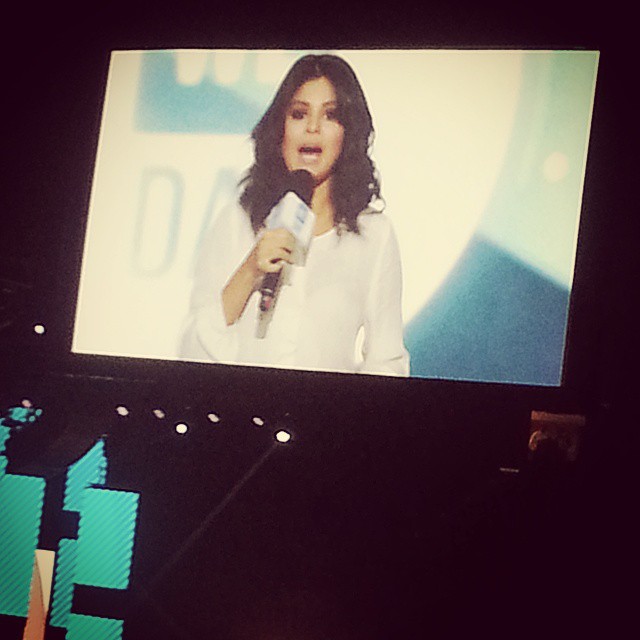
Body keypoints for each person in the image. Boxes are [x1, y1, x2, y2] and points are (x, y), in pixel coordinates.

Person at [180, 54, 409, 376]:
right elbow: (192, 350)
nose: (312, 128)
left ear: (347, 133)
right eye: (299, 114)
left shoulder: (373, 235)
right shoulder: (238, 220)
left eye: (330, 115)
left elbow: (386, 362)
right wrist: (250, 268)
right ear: (281, 128)